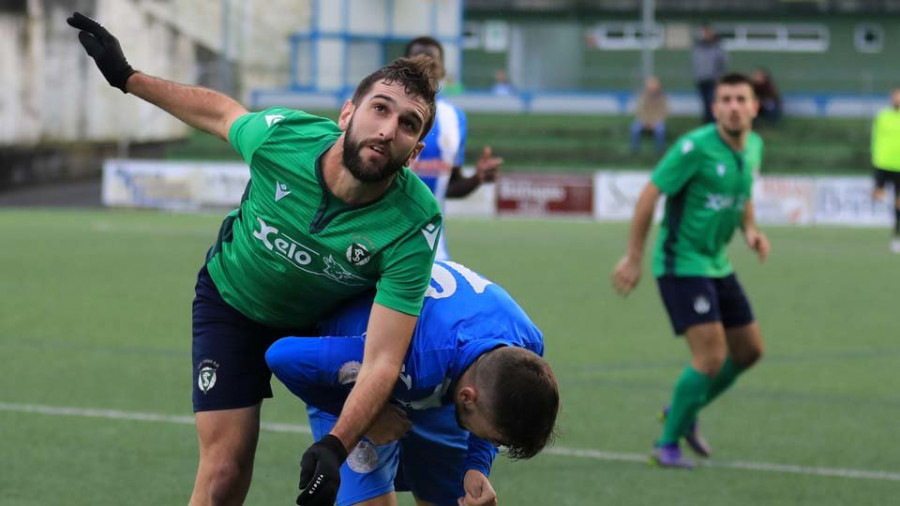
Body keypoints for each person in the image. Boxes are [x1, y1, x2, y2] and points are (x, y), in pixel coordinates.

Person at [67, 12, 444, 505]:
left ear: (414, 151)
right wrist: (127, 78)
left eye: (407, 124)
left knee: (364, 489)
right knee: (224, 472)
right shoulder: (282, 138)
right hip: (233, 304)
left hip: (325, 324)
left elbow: (382, 359)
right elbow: (222, 114)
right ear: (348, 114)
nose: (387, 128)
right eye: (380, 108)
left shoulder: (415, 223)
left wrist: (334, 446)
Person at [266, 260, 559, 505]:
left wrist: (476, 466)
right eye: (496, 440)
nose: (495, 445)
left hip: (438, 380)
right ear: (468, 397)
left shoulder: (526, 348)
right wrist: (368, 413)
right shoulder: (411, 357)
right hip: (363, 372)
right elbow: (282, 356)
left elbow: (493, 392)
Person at [612, 73, 769, 469]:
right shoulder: (693, 147)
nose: (733, 106)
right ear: (715, 108)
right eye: (726, 99)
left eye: (741, 99)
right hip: (681, 263)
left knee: (750, 351)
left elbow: (744, 190)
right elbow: (650, 194)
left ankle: (682, 409)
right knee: (711, 357)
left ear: (754, 107)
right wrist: (633, 256)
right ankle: (665, 445)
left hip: (717, 263)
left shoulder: (753, 146)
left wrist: (750, 230)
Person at [405, 36, 503, 261]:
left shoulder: (454, 118)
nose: (426, 64)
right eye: (418, 58)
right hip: (383, 240)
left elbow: (449, 186)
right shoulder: (388, 111)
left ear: (442, 70)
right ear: (404, 65)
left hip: (434, 249)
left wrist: (477, 178)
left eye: (433, 60)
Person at [870, 87, 900, 253]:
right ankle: (888, 205)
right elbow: (875, 138)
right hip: (882, 163)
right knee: (877, 195)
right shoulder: (882, 116)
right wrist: (874, 157)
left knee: (899, 204)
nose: (897, 100)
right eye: (895, 97)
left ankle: (897, 235)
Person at [692, 25, 728, 123]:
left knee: (712, 102)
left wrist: (719, 77)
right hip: (701, 79)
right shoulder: (698, 48)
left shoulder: (717, 47)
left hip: (713, 80)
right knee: (705, 103)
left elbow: (722, 63)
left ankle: (715, 123)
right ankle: (707, 123)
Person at [630, 76, 669, 154]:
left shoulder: (663, 98)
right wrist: (645, 121)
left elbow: (664, 112)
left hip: (656, 121)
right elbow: (639, 111)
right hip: (643, 120)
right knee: (634, 129)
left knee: (661, 130)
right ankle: (635, 150)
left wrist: (653, 122)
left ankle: (659, 150)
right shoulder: (642, 97)